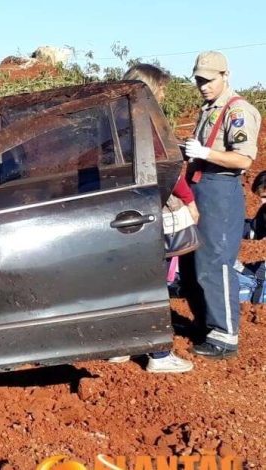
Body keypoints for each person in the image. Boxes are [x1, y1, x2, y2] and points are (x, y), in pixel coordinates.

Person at [108, 63, 195, 373]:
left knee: (124, 279)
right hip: (146, 207)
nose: (162, 94)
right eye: (159, 89)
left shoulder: (111, 120)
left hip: (116, 209)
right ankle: (158, 354)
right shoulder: (147, 123)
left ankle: (121, 345)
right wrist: (188, 199)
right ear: (145, 88)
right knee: (152, 281)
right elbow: (167, 166)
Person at [184, 51, 262, 359]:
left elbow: (243, 159)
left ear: (225, 76)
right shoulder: (209, 109)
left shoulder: (238, 110)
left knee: (217, 262)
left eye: (208, 80)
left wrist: (204, 153)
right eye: (199, 80)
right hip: (202, 187)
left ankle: (225, 335)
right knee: (197, 262)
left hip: (221, 189)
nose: (202, 86)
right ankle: (207, 324)